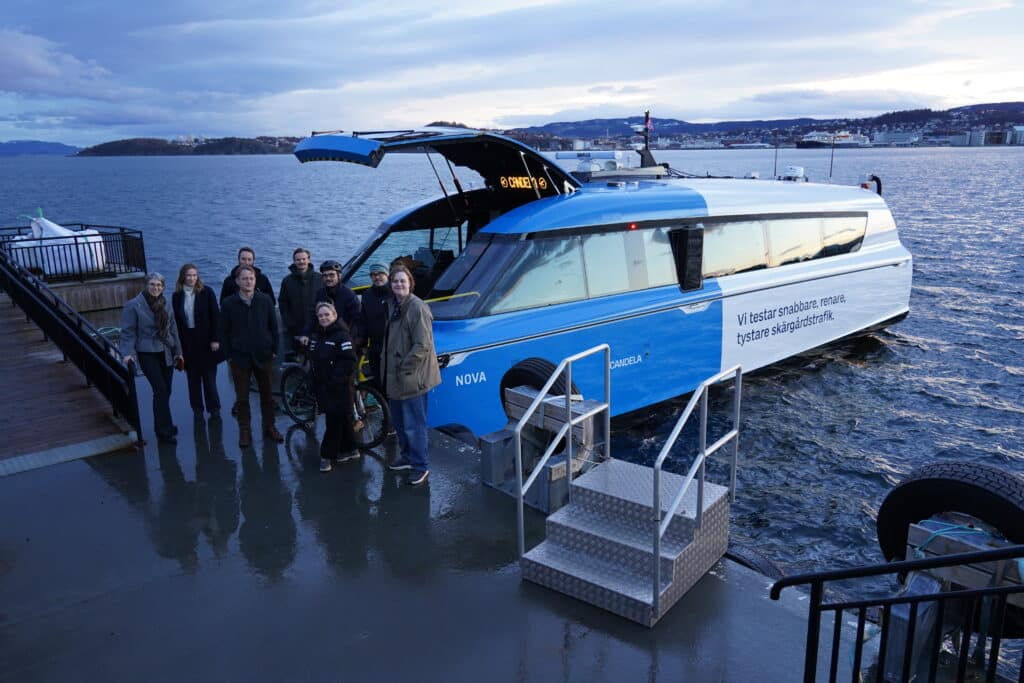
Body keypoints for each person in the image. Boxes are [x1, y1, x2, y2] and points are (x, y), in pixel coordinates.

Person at [383, 265, 440, 486]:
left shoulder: (417, 308)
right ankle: (407, 456)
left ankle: (420, 466)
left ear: (410, 283)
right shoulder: (393, 305)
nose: (398, 285)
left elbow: (423, 345)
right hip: (395, 376)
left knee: (414, 425)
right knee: (398, 421)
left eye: (402, 281)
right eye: (395, 281)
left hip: (411, 376)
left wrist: (404, 368)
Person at [219, 264, 283, 448]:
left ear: (255, 280)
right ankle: (245, 431)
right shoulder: (229, 304)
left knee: (268, 395)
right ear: (237, 281)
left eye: (251, 278)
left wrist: (274, 350)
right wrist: (229, 355)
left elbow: (273, 328)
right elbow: (223, 331)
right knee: (242, 398)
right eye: (245, 278)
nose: (248, 281)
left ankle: (270, 427)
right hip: (240, 357)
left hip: (263, 355)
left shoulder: (265, 301)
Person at [120, 272, 184, 444]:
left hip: (166, 350)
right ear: (146, 285)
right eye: (153, 284)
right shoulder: (133, 305)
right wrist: (127, 354)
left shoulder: (166, 304)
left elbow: (173, 329)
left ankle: (165, 425)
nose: (156, 288)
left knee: (166, 391)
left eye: (159, 285)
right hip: (147, 352)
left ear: (163, 287)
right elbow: (128, 333)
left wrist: (179, 351)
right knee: (160, 390)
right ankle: (164, 431)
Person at [308, 302, 359, 472]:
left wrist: (334, 380)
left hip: (339, 388)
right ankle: (350, 449)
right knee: (342, 419)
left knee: (333, 423)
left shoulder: (342, 336)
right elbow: (313, 359)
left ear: (334, 315)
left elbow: (349, 361)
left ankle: (326, 456)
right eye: (320, 315)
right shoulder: (317, 336)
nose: (323, 318)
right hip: (323, 386)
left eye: (326, 314)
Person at [171, 263, 223, 419]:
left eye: (194, 275)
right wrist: (178, 348)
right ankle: (197, 410)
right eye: (188, 275)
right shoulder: (177, 296)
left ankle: (214, 409)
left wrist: (215, 339)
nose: (192, 278)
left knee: (209, 378)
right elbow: (178, 323)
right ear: (183, 277)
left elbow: (216, 316)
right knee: (192, 379)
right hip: (188, 343)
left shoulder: (207, 292)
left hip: (207, 341)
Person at [300, 259, 362, 347]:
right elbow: (313, 315)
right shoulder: (320, 293)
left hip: (343, 339)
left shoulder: (349, 294)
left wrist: (355, 340)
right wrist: (305, 333)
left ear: (339, 276)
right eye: (325, 276)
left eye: (331, 275)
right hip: (325, 337)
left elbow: (358, 319)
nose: (328, 278)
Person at [279, 248, 322, 359]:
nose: (301, 262)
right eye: (298, 260)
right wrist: (289, 323)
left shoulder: (319, 278)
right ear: (294, 261)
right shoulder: (287, 281)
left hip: (317, 326)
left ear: (308, 260)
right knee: (301, 358)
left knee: (319, 356)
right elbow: (283, 303)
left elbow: (325, 301)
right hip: (296, 328)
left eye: (303, 259)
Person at [361, 263, 391, 393]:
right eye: (373, 275)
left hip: (392, 345)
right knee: (378, 380)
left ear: (387, 275)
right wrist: (362, 340)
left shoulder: (395, 292)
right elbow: (363, 319)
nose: (377, 277)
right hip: (374, 345)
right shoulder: (367, 295)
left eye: (380, 274)